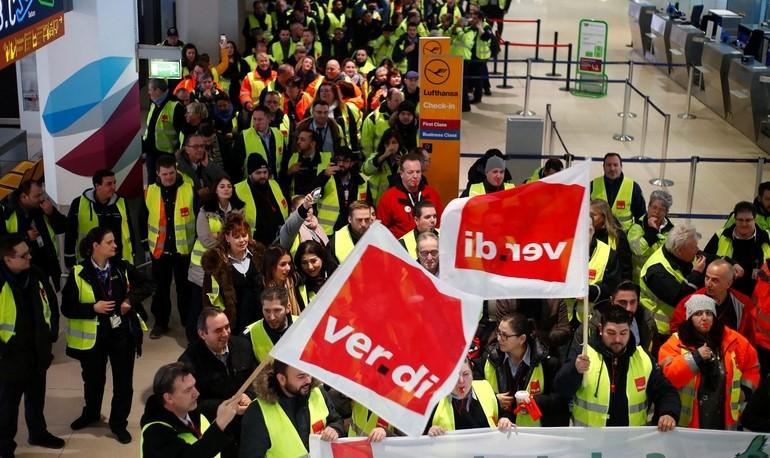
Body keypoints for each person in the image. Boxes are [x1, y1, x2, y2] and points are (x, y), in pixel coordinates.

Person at [61, 227, 154, 444]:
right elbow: (67, 307)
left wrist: (130, 300)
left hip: (121, 333)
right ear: (95, 246)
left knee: (123, 381)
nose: (115, 245)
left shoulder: (121, 266)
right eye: (110, 242)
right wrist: (93, 308)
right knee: (93, 379)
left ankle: (118, 423)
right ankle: (91, 413)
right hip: (93, 337)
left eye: (115, 242)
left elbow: (149, 284)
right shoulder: (78, 272)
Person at [554, 306, 680, 429]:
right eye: (611, 333)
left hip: (632, 442)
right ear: (600, 329)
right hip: (590, 441)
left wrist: (668, 413)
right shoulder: (584, 353)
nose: (618, 339)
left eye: (623, 333)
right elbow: (561, 389)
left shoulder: (643, 358)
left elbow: (665, 391)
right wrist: (574, 370)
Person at [0, 234, 64, 456]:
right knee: (7, 407)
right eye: (23, 255)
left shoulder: (35, 273)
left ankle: (38, 433)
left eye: (28, 252)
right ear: (8, 260)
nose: (29, 257)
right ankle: (5, 447)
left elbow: (51, 305)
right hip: (10, 358)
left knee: (36, 399)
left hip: (38, 351)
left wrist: (51, 334)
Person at [659, 294, 760, 429]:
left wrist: (745, 391)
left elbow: (752, 366)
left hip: (724, 425)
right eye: (698, 313)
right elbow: (669, 378)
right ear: (689, 318)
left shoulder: (733, 340)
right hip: (689, 427)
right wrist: (696, 358)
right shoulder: (675, 343)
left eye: (709, 313)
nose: (704, 317)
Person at [179, 308, 256, 457]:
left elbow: (256, 379)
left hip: (248, 427)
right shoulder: (188, 363)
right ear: (202, 334)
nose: (226, 333)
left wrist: (249, 394)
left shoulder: (243, 345)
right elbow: (189, 404)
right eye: (218, 330)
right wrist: (225, 405)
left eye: (227, 327)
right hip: (217, 432)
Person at [238, 359, 346, 457]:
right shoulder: (257, 412)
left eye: (309, 373)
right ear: (282, 379)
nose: (308, 380)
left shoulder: (318, 393)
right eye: (301, 376)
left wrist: (335, 429)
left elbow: (336, 420)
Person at [479, 313, 569, 426]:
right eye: (498, 332)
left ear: (522, 339)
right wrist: (494, 399)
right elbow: (475, 389)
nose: (498, 338)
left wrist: (536, 402)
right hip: (500, 431)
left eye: (505, 335)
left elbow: (560, 400)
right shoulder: (489, 357)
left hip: (535, 435)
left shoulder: (547, 362)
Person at [187, 175, 245, 343]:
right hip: (204, 267)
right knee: (199, 304)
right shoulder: (205, 210)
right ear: (215, 190)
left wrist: (221, 237)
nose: (226, 189)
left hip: (226, 265)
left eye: (229, 186)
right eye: (222, 186)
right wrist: (227, 242)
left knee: (220, 303)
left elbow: (239, 233)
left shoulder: (239, 208)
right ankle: (194, 339)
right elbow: (205, 238)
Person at [144, 155, 196, 338]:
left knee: (185, 288)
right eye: (164, 174)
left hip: (183, 250)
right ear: (157, 173)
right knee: (160, 288)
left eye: (171, 173)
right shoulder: (149, 191)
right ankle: (160, 323)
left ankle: (187, 321)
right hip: (159, 250)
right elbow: (144, 218)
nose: (168, 177)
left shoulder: (188, 188)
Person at [140, 362, 239, 458]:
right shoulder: (155, 435)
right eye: (188, 390)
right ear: (169, 398)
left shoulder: (187, 409)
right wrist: (220, 423)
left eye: (194, 386)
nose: (196, 393)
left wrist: (230, 407)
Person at [201, 214, 265, 334]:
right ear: (227, 238)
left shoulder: (259, 254)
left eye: (244, 235)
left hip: (260, 320)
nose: (242, 240)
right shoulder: (216, 262)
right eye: (236, 237)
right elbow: (209, 298)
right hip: (234, 325)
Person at [640, 223, 706, 341]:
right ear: (679, 251)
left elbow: (706, 256)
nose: (697, 250)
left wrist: (730, 262)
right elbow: (680, 299)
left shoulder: (678, 253)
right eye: (693, 247)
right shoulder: (656, 270)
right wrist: (696, 274)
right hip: (659, 331)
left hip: (678, 327)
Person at [3, 180, 67, 290]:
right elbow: (3, 241)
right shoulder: (7, 214)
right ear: (24, 196)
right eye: (37, 195)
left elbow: (62, 227)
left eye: (42, 194)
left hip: (45, 268)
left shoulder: (41, 208)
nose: (41, 198)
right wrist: (25, 236)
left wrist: (52, 213)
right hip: (20, 272)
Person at [64, 169, 134, 269]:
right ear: (97, 186)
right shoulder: (78, 203)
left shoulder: (121, 201)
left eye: (114, 183)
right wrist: (69, 259)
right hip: (91, 263)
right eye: (109, 184)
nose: (114, 187)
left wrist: (133, 253)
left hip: (119, 261)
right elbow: (70, 233)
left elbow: (129, 229)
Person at [670, 259, 755, 339]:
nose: (708, 284)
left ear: (728, 284)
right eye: (707, 278)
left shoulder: (743, 304)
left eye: (715, 280)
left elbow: (749, 336)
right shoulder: (689, 302)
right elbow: (676, 330)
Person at [425, 359, 514, 435]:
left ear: (472, 374)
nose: (461, 381)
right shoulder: (433, 400)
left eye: (466, 374)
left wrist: (505, 419)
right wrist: (429, 432)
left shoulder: (484, 388)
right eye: (454, 376)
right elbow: (417, 434)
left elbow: (504, 413)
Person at [572, 280, 659, 355]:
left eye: (633, 302)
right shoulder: (592, 326)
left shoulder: (647, 322)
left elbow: (653, 357)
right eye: (622, 302)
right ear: (612, 301)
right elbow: (574, 359)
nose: (628, 308)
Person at [704, 201, 770, 297]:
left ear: (755, 219)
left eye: (748, 220)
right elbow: (705, 257)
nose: (744, 224)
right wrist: (729, 261)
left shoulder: (767, 237)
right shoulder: (721, 235)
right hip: (726, 296)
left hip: (758, 298)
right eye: (740, 220)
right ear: (735, 219)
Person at [378, 153, 443, 239]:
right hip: (399, 249)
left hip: (427, 247)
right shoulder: (388, 197)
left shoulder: (432, 194)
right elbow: (380, 230)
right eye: (410, 172)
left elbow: (439, 225)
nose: (415, 176)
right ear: (401, 174)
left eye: (418, 172)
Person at [234, 155, 289, 246]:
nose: (262, 176)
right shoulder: (238, 189)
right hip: (253, 241)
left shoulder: (274, 184)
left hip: (278, 238)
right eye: (258, 173)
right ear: (250, 173)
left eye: (265, 172)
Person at [315, 147, 370, 235]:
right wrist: (324, 176)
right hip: (328, 231)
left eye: (345, 161)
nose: (341, 164)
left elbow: (368, 205)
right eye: (338, 160)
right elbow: (313, 197)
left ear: (351, 163)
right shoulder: (327, 176)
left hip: (353, 230)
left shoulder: (361, 180)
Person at [590, 153, 646, 232]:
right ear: (603, 167)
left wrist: (633, 235)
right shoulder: (593, 185)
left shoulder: (633, 187)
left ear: (621, 167)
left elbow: (641, 217)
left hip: (624, 237)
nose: (612, 168)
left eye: (615, 165)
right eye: (609, 165)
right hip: (599, 235)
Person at [628, 190, 674, 283]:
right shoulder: (636, 228)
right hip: (640, 279)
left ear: (666, 212)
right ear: (648, 207)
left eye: (661, 209)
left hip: (663, 280)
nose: (656, 212)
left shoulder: (672, 231)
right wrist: (652, 232)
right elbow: (637, 250)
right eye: (654, 207)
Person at [143, 78, 185, 178]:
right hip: (151, 153)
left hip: (167, 155)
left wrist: (179, 150)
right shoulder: (153, 103)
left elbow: (182, 133)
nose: (148, 93)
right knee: (152, 182)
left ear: (157, 90)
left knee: (166, 181)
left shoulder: (176, 106)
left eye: (150, 90)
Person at [243, 287, 297, 362]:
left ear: (288, 308)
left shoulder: (304, 325)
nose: (272, 317)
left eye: (277, 310)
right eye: (267, 311)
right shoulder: (249, 334)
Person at [233, 106, 287, 180]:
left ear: (269, 119)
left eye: (260, 119)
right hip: (253, 183)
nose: (256, 122)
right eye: (254, 119)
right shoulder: (244, 136)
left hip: (274, 182)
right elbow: (236, 165)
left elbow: (283, 161)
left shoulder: (278, 134)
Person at [177, 131, 226, 211]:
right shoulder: (178, 168)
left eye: (202, 146)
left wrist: (208, 166)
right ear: (187, 149)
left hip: (211, 210)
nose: (200, 149)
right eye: (195, 147)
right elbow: (176, 195)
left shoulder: (208, 161)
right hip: (189, 212)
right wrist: (197, 194)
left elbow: (226, 181)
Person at [282, 128, 333, 197]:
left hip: (319, 201)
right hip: (298, 201)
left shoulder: (326, 158)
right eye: (298, 139)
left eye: (302, 139)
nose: (298, 142)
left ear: (312, 143)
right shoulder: (293, 158)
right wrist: (289, 172)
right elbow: (284, 183)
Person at [362, 129, 407, 205]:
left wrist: (402, 165)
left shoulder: (405, 158)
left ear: (399, 144)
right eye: (387, 143)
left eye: (394, 142)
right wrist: (383, 156)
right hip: (378, 202)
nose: (391, 146)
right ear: (383, 144)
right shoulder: (376, 156)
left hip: (398, 202)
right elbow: (366, 170)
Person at [591, 199, 632, 282]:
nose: (589, 218)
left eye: (593, 215)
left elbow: (626, 268)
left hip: (612, 284)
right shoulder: (585, 235)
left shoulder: (618, 236)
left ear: (604, 217)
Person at [262, 245, 304, 315]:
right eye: (283, 264)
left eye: (289, 263)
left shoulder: (295, 280)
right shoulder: (261, 288)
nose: (288, 268)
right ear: (271, 267)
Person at [328, 200, 373, 264]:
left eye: (367, 219)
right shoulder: (335, 243)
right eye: (359, 220)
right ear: (349, 219)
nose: (363, 224)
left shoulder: (379, 238)